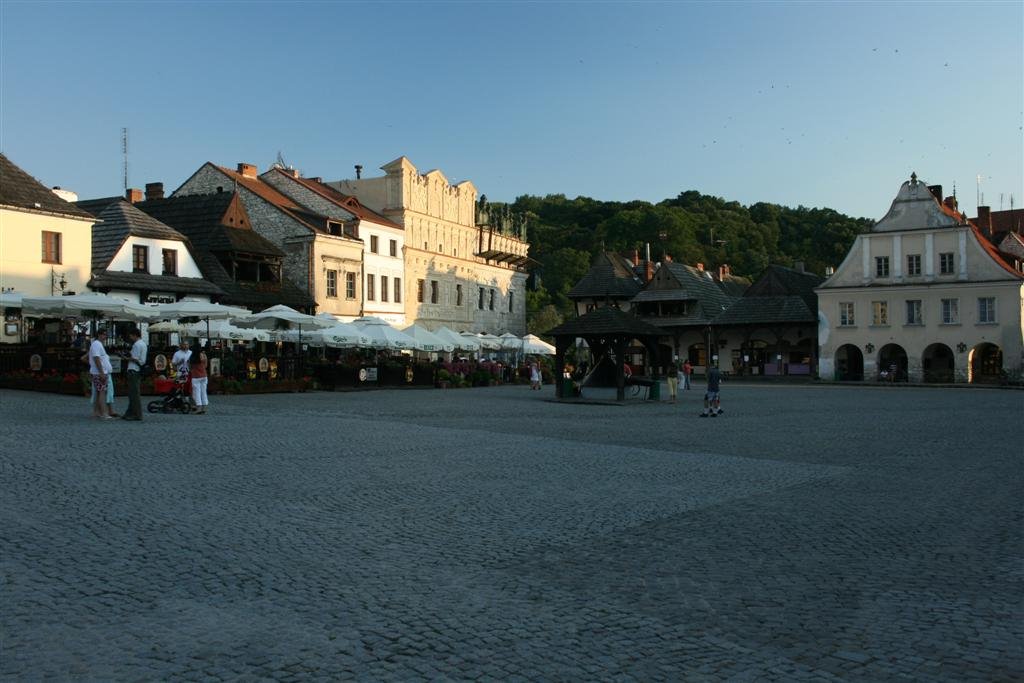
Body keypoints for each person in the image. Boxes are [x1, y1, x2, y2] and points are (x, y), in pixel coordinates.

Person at [88, 329, 114, 420]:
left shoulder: (98, 344)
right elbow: (96, 358)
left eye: (106, 335)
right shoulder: (96, 344)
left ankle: (98, 412)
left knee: (100, 392)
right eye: (104, 334)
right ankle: (104, 413)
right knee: (102, 392)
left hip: (100, 372)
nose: (105, 336)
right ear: (99, 334)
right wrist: (101, 372)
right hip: (99, 373)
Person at [122, 327, 147, 421]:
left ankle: (137, 414)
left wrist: (125, 357)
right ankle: (129, 412)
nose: (130, 338)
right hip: (137, 370)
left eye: (131, 336)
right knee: (133, 393)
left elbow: (135, 358)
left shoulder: (137, 345)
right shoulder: (143, 344)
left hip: (133, 369)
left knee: (134, 394)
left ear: (134, 335)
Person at [189, 345, 209, 414]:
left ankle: (198, 408)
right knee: (204, 392)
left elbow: (190, 367)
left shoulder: (192, 357)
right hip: (204, 375)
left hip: (195, 376)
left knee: (196, 393)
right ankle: (205, 407)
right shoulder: (204, 355)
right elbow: (206, 366)